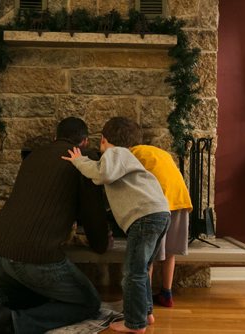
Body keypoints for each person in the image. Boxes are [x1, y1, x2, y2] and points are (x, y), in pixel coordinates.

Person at [0, 117, 110, 334]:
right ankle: (15, 322)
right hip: (33, 257)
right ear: (84, 142)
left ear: (55, 138)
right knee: (88, 302)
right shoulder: (84, 159)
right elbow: (93, 213)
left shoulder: (33, 156)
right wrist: (101, 243)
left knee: (42, 291)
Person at [62, 117, 170, 333]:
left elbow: (102, 174)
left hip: (144, 217)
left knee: (132, 272)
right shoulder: (127, 157)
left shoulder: (114, 153)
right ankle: (146, 313)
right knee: (142, 269)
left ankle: (135, 323)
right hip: (159, 213)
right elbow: (106, 174)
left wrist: (78, 161)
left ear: (103, 140)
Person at [109, 117, 192, 307]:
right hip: (180, 200)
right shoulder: (158, 152)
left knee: (148, 255)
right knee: (170, 253)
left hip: (160, 204)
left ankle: (144, 300)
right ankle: (167, 293)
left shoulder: (129, 156)